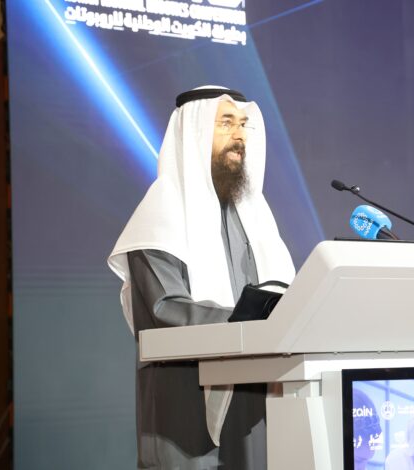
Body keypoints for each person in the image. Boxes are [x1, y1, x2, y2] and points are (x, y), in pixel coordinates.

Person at [108, 86, 295, 469]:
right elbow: (165, 309)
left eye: (242, 124)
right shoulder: (159, 216)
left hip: (255, 398)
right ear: (193, 131)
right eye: (225, 123)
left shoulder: (255, 217)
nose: (239, 135)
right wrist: (245, 321)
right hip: (185, 402)